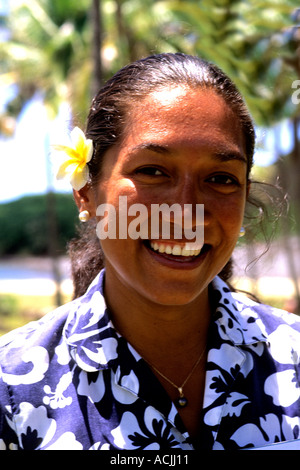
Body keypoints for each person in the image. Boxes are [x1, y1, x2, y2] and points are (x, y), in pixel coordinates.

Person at [0, 53, 299, 451]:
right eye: (153, 171)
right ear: (86, 192)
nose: (188, 213)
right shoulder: (13, 389)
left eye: (221, 178)